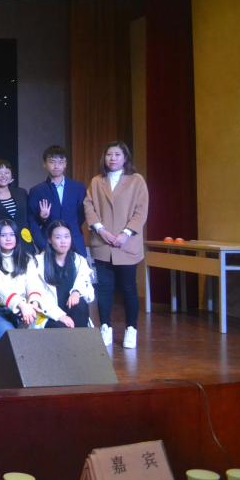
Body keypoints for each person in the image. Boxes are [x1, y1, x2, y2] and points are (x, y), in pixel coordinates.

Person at [84, 141, 149, 348]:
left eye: (117, 154)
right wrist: (101, 229)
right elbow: (88, 206)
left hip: (127, 244)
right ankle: (105, 327)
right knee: (104, 289)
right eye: (109, 154)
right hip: (102, 243)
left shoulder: (136, 180)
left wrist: (126, 233)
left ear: (125, 158)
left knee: (129, 288)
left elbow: (141, 210)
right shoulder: (97, 181)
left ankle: (131, 329)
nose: (112, 158)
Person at [0, 219, 37, 346]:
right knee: (9, 336)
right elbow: (0, 289)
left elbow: (33, 284)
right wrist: (21, 305)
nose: (8, 239)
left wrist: (33, 304)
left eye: (12, 235)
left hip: (23, 308)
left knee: (37, 330)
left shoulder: (27, 258)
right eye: (3, 235)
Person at [29, 220, 95, 329]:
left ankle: (81, 338)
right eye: (58, 237)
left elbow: (89, 293)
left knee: (80, 305)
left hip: (71, 311)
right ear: (49, 240)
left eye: (66, 237)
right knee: (61, 327)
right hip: (48, 314)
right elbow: (38, 296)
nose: (63, 241)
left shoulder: (78, 260)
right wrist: (60, 316)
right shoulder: (37, 262)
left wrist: (77, 291)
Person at [27, 145, 87, 256]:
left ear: (65, 164)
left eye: (60, 162)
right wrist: (43, 219)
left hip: (75, 242)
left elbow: (81, 216)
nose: (56, 166)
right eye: (52, 162)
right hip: (48, 243)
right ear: (44, 164)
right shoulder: (37, 190)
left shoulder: (78, 188)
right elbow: (32, 221)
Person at [0, 159, 32, 251]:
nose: (3, 176)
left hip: (24, 243)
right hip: (2, 244)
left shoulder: (21, 193)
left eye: (7, 173)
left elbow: (30, 217)